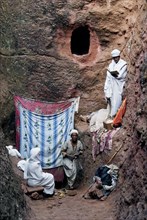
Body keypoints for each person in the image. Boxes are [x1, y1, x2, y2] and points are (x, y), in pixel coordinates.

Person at [104, 49, 127, 118]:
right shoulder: (111, 65)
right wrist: (106, 89)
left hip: (118, 86)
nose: (116, 59)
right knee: (111, 102)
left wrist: (115, 75)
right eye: (114, 58)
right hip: (111, 86)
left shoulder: (123, 64)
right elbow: (108, 77)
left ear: (119, 56)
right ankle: (112, 117)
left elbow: (121, 76)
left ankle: (116, 118)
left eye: (117, 57)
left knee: (117, 102)